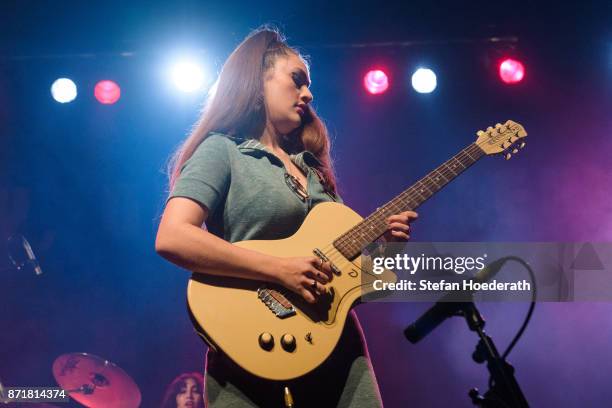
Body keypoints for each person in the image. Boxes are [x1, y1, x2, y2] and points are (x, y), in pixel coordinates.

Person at [155, 26, 418, 407]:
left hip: (335, 351)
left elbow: (353, 286)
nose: (308, 94)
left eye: (309, 85)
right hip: (251, 344)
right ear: (257, 81)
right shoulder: (223, 151)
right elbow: (173, 236)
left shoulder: (312, 171)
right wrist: (280, 270)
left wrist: (387, 250)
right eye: (297, 80)